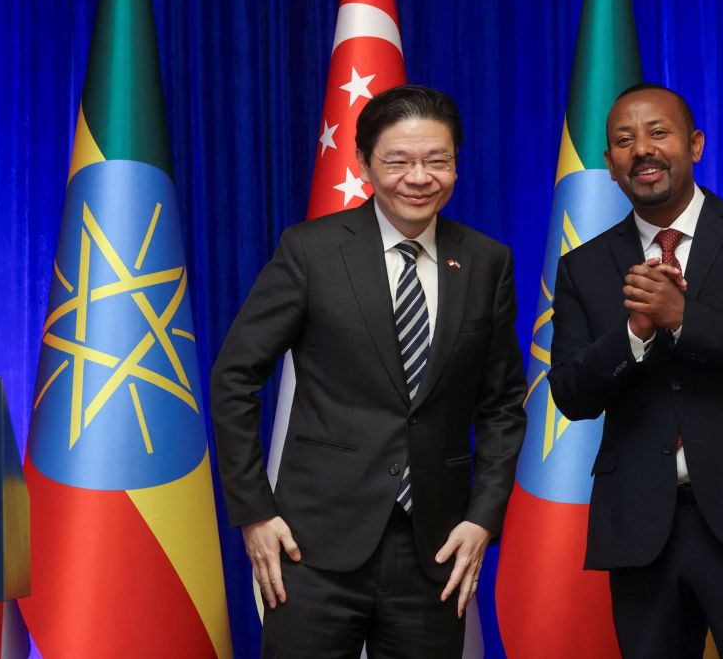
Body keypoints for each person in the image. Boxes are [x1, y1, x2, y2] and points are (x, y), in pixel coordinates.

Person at [211, 85, 527, 659]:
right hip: (312, 546)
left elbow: (504, 403)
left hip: (435, 549)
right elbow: (234, 377)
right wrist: (255, 512)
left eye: (437, 160)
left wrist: (483, 519)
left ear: (457, 164)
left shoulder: (486, 261)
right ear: (363, 164)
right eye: (398, 160)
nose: (419, 176)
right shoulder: (311, 251)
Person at [548, 84, 723, 659]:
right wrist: (635, 336)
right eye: (624, 141)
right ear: (609, 166)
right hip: (641, 528)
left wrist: (684, 319)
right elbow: (571, 393)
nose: (642, 151)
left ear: (695, 145)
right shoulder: (584, 265)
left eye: (659, 133)